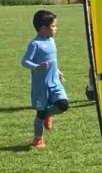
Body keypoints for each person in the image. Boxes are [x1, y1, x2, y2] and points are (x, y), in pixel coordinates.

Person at [22, 10, 69, 148]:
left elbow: (52, 60)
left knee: (63, 104)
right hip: (41, 85)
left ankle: (48, 113)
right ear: (43, 29)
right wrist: (37, 66)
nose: (56, 28)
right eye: (53, 26)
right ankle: (38, 138)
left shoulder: (51, 40)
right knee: (40, 113)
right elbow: (24, 61)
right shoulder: (34, 44)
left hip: (54, 82)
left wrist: (57, 70)